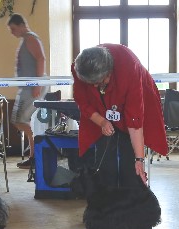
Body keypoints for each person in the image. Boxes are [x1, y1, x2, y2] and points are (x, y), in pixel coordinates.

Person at [72, 44, 168, 189]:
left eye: (99, 83)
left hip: (134, 103)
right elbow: (83, 101)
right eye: (91, 84)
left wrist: (139, 160)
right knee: (104, 163)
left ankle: (132, 198)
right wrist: (102, 121)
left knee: (129, 162)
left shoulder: (130, 69)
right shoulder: (81, 68)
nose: (95, 87)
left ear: (109, 72)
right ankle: (106, 200)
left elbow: (134, 120)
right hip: (101, 111)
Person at [7, 13, 48, 169]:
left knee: (22, 121)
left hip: (33, 86)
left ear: (21, 25)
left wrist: (37, 84)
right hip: (27, 87)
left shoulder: (31, 38)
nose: (12, 33)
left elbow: (41, 58)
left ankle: (36, 156)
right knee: (19, 121)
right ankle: (34, 155)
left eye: (13, 29)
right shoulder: (26, 40)